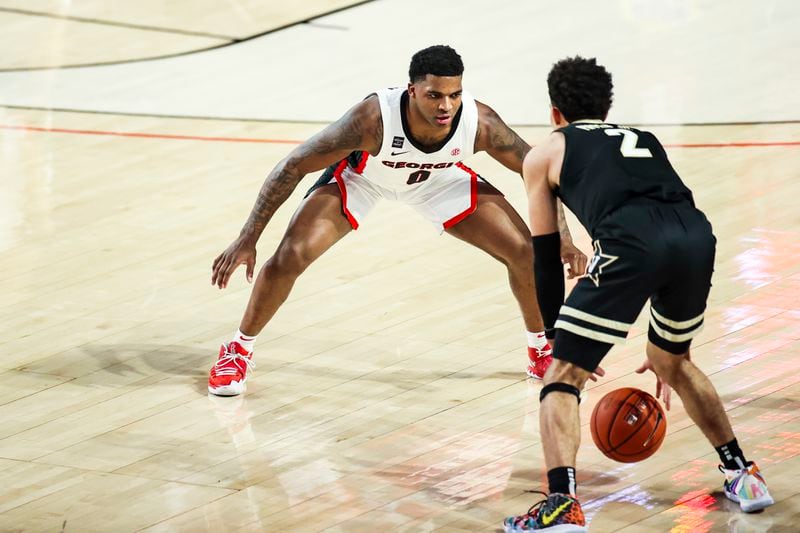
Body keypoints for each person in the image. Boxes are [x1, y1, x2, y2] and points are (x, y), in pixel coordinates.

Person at [208, 45, 586, 396]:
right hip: (365, 179)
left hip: (436, 180)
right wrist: (248, 237)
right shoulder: (371, 120)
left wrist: (564, 238)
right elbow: (293, 165)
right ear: (412, 91)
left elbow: (538, 171)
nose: (446, 106)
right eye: (434, 95)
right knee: (291, 256)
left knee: (527, 252)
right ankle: (238, 349)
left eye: (454, 95)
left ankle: (540, 349)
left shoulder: (480, 121)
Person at [503, 57, 774, 532]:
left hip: (632, 242)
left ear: (554, 111)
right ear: (607, 107)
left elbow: (543, 255)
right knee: (675, 361)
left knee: (562, 378)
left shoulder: (545, 152)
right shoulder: (643, 139)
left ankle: (562, 505)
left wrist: (553, 338)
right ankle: (744, 476)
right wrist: (669, 350)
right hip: (695, 236)